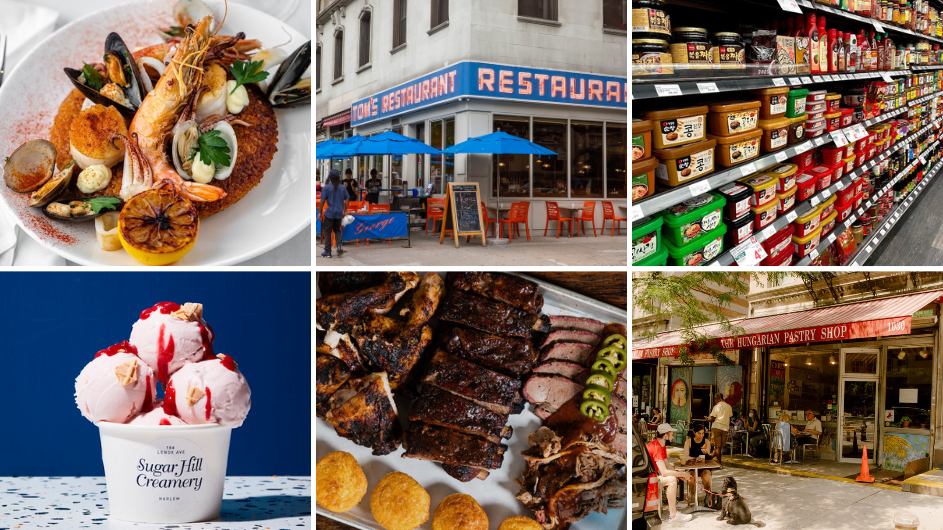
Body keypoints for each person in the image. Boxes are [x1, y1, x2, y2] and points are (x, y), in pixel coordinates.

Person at [646, 423, 694, 524]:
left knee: (673, 477)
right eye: (671, 434)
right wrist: (683, 474)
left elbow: (667, 465)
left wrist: (679, 474)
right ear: (666, 436)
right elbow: (664, 472)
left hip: (653, 477)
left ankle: (673, 505)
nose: (673, 436)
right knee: (671, 480)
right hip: (648, 480)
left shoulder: (660, 446)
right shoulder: (657, 447)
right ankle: (673, 515)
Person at [680, 423, 714, 507]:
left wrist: (707, 452)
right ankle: (692, 492)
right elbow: (686, 456)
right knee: (690, 476)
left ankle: (707, 492)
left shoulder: (706, 441)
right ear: (694, 432)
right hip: (691, 466)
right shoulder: (689, 442)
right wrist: (694, 459)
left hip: (703, 466)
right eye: (699, 433)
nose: (701, 435)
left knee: (706, 474)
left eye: (703, 433)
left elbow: (708, 455)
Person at [318, 169, 349, 258]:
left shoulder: (327, 188)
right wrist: (345, 211)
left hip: (329, 213)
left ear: (330, 178)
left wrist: (319, 212)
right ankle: (339, 246)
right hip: (339, 213)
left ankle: (328, 251)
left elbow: (322, 201)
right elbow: (347, 199)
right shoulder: (343, 187)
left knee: (327, 231)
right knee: (337, 230)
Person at [706, 393, 732, 465]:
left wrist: (708, 420)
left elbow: (713, 419)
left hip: (717, 427)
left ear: (717, 398)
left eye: (715, 399)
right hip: (725, 428)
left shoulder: (716, 407)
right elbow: (730, 416)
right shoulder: (729, 406)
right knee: (719, 446)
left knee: (717, 446)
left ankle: (719, 464)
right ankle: (710, 458)